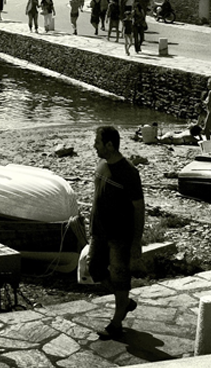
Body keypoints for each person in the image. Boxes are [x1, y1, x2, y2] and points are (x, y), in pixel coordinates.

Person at [88, 125, 144, 338]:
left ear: (110, 145)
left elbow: (139, 207)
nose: (94, 146)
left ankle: (117, 322)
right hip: (98, 233)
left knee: (120, 278)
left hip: (119, 236)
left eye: (98, 142)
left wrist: (136, 241)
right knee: (95, 270)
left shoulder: (129, 173)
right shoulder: (102, 164)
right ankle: (125, 302)